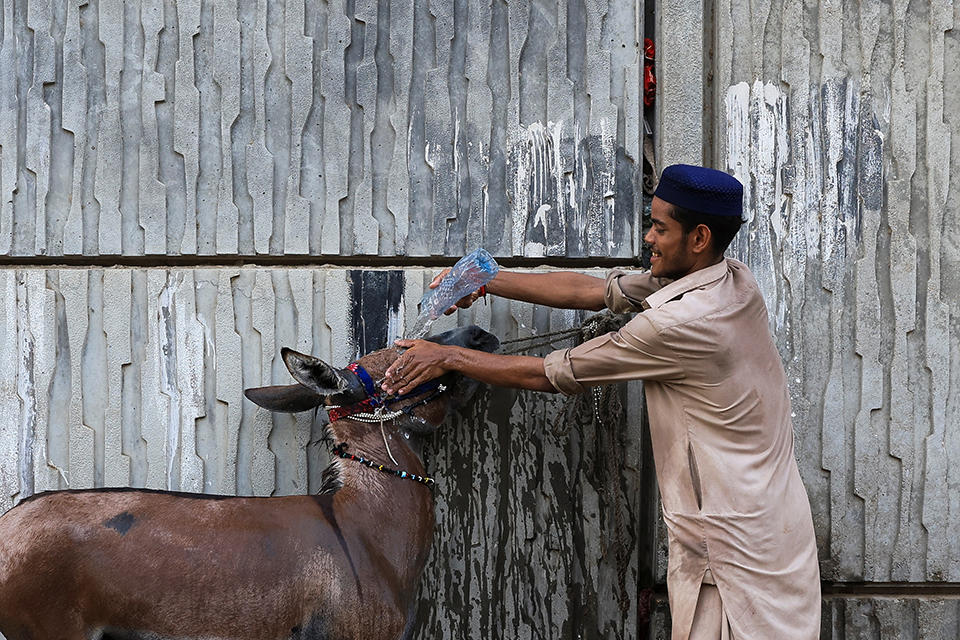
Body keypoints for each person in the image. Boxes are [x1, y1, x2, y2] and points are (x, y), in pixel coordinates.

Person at [382, 164, 821, 640]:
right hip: (778, 528)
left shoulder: (681, 324)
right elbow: (595, 292)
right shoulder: (731, 279)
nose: (648, 238)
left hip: (734, 558)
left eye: (660, 228)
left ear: (699, 237)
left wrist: (447, 356)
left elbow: (552, 373)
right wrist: (484, 278)